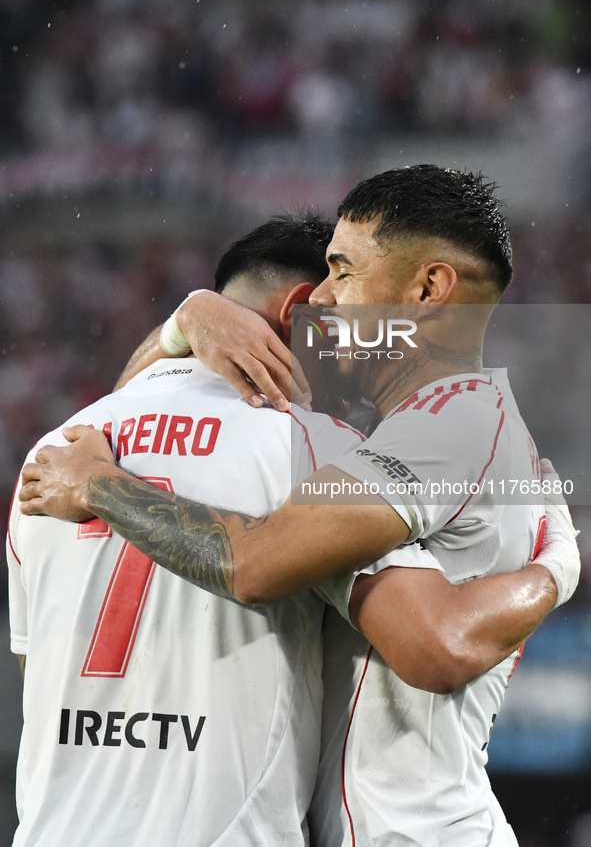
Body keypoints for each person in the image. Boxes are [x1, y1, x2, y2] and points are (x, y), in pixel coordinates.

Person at [19, 168, 580, 846]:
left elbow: (428, 640)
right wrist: (187, 319)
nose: (324, 300)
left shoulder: (443, 429)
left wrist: (100, 485)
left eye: (343, 272)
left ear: (428, 291)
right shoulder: (346, 446)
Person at [8, 214, 369, 847]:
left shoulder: (54, 452)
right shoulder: (319, 452)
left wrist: (184, 319)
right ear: (302, 311)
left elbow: (36, 666)